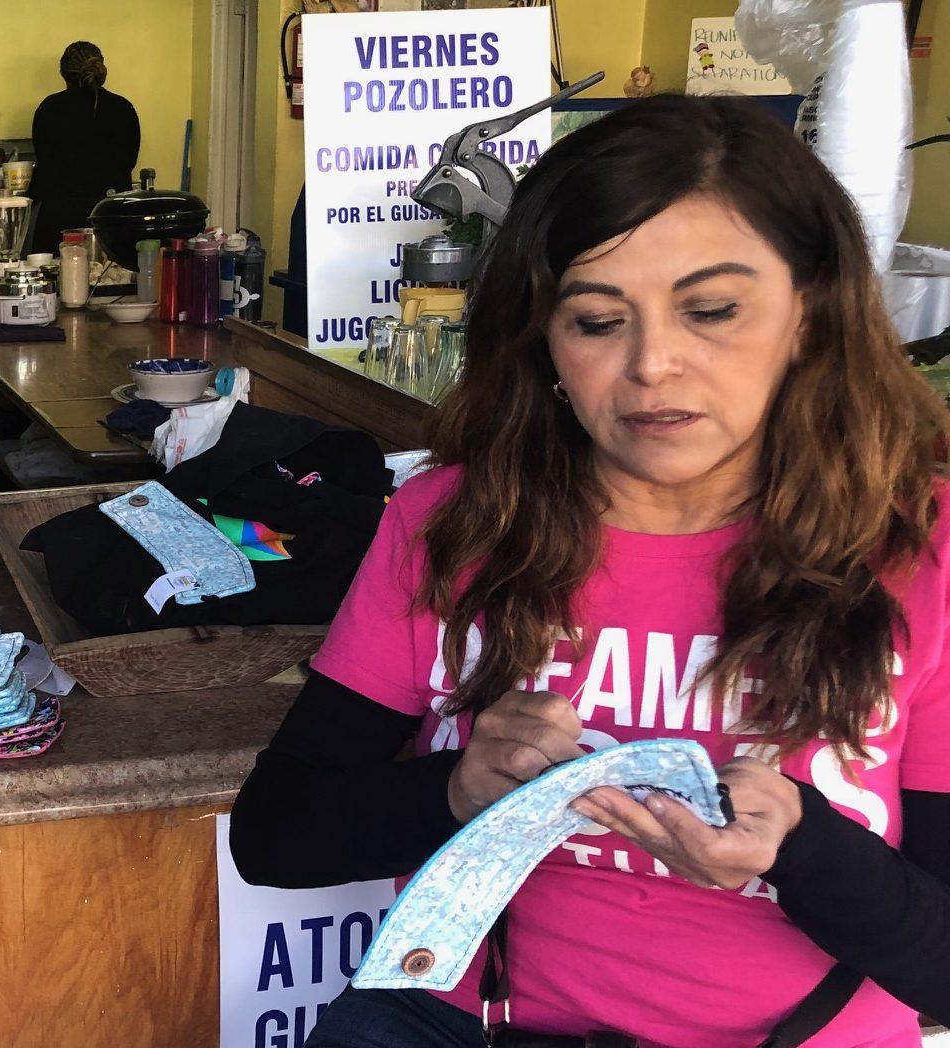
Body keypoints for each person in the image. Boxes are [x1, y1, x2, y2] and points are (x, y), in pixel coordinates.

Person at [229, 94, 950, 1046]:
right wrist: (456, 787)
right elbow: (276, 835)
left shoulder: (923, 553)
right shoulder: (454, 522)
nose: (654, 364)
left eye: (714, 310)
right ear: (547, 347)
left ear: (809, 316)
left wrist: (801, 847)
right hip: (454, 1023)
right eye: (599, 321)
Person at [24, 41, 139, 257]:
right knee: (114, 283)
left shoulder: (49, 109)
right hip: (110, 217)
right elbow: (127, 163)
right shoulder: (123, 109)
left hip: (58, 221)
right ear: (100, 68)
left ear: (63, 74)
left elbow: (44, 164)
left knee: (56, 285)